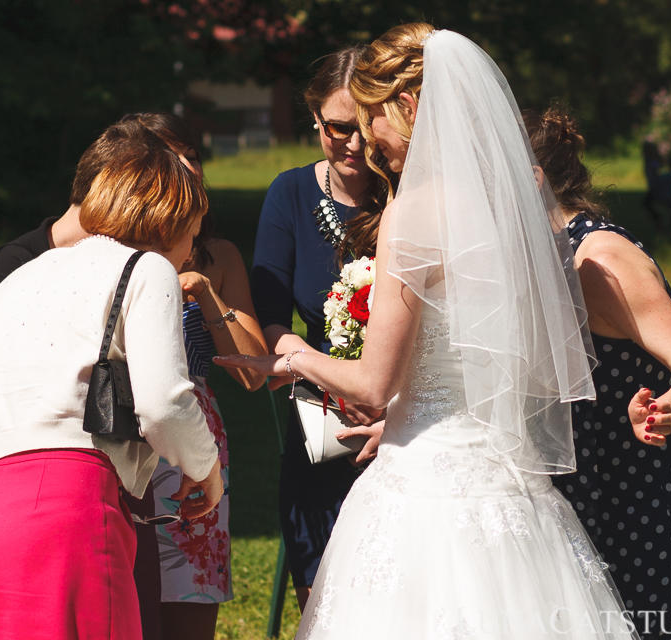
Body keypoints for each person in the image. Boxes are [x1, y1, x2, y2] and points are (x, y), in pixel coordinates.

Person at [222, 24, 639, 639]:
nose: (366, 143)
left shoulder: (411, 211)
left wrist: (295, 361)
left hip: (423, 489)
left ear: (408, 108)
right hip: (512, 487)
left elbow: (371, 384)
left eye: (370, 123)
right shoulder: (510, 204)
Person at [0, 141, 223, 639]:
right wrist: (204, 468)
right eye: (192, 235)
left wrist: (9, 458)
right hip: (70, 514)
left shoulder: (9, 284)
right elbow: (163, 403)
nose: (192, 251)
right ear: (168, 224)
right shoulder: (148, 269)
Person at [526, 107, 671, 638]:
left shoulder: (600, 259)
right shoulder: (551, 253)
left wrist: (661, 412)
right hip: (599, 486)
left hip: (654, 499)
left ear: (533, 177)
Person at [250, 44, 390, 610]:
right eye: (337, 128)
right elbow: (270, 319)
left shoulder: (402, 194)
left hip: (406, 415)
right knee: (326, 599)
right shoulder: (290, 193)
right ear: (314, 120)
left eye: (364, 128)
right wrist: (337, 386)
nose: (354, 144)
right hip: (322, 417)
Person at [149, 131, 268, 639]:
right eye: (170, 161)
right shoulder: (111, 253)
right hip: (119, 421)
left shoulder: (217, 255)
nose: (186, 170)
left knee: (188, 588)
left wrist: (204, 294)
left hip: (190, 427)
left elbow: (252, 371)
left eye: (192, 159)